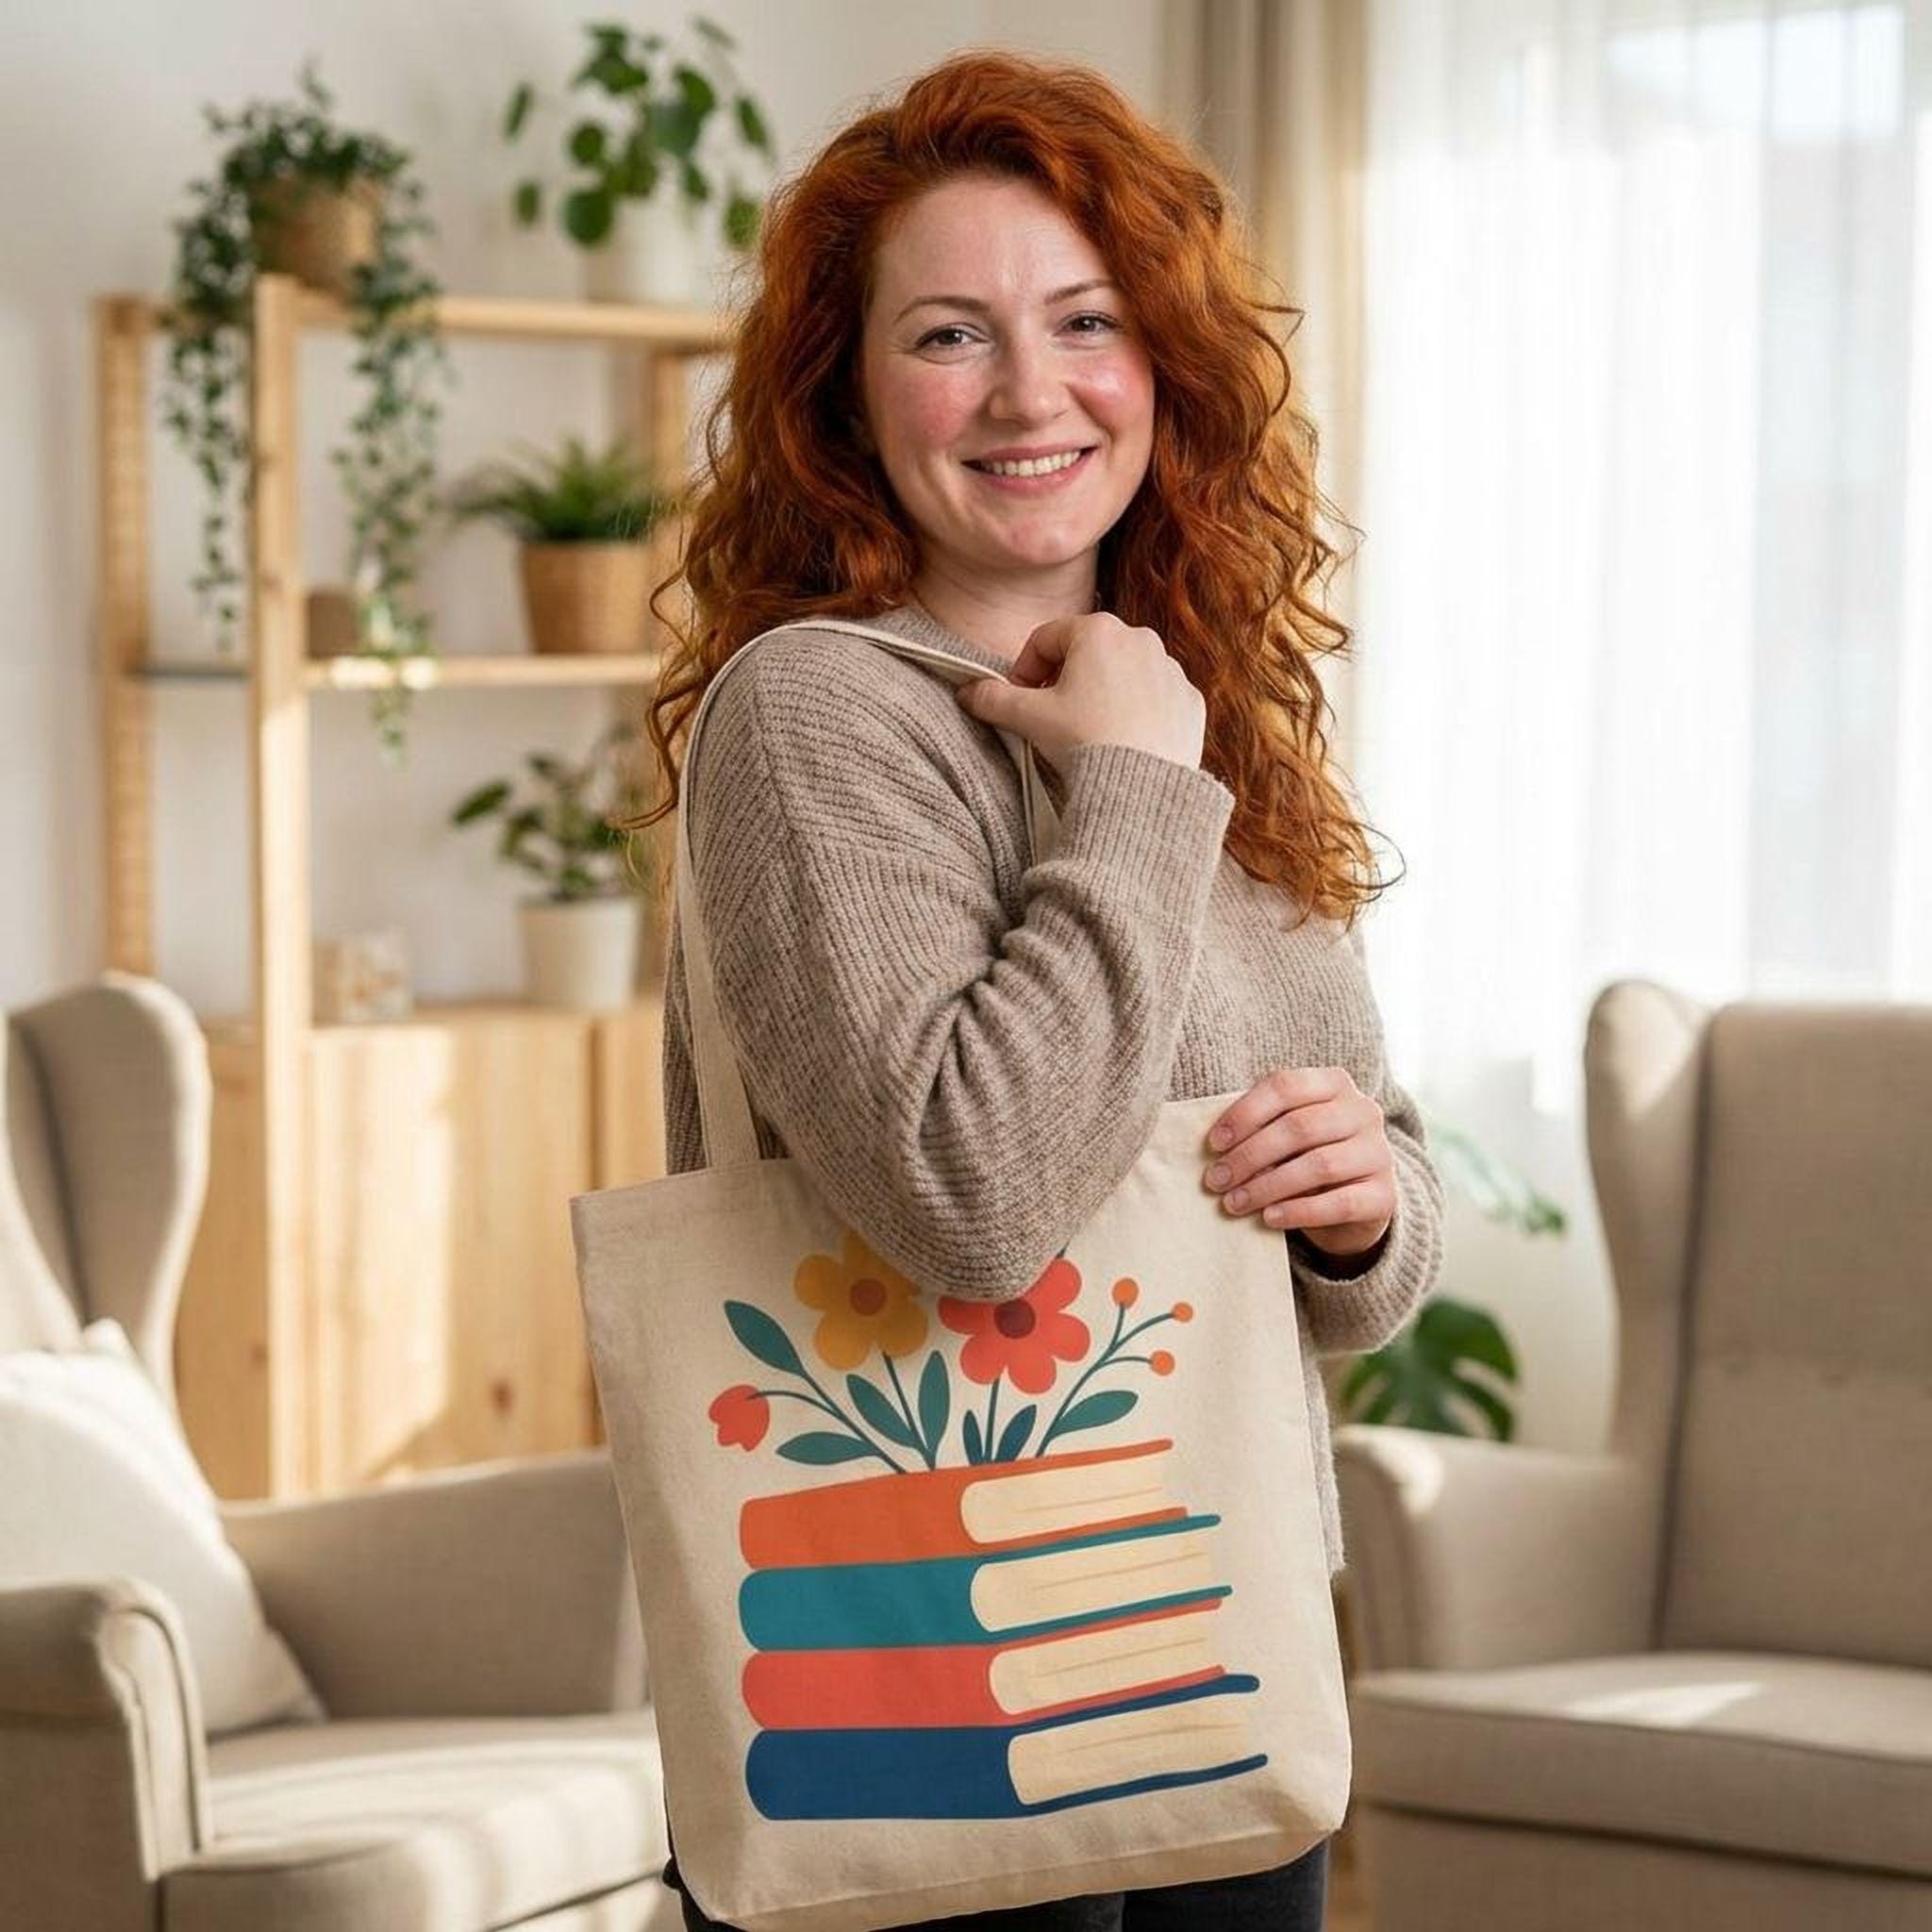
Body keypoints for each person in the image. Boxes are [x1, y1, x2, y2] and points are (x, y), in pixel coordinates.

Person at [631, 45, 1446, 1932]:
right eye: (946, 334)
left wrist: (1356, 1206)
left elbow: (1369, 1195)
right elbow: (971, 1202)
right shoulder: (819, 708)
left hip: (1203, 1629)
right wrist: (1134, 797)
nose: (1028, 392)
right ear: (845, 388)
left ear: (1161, 360)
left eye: (1085, 320)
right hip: (908, 1672)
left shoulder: (1187, 697)